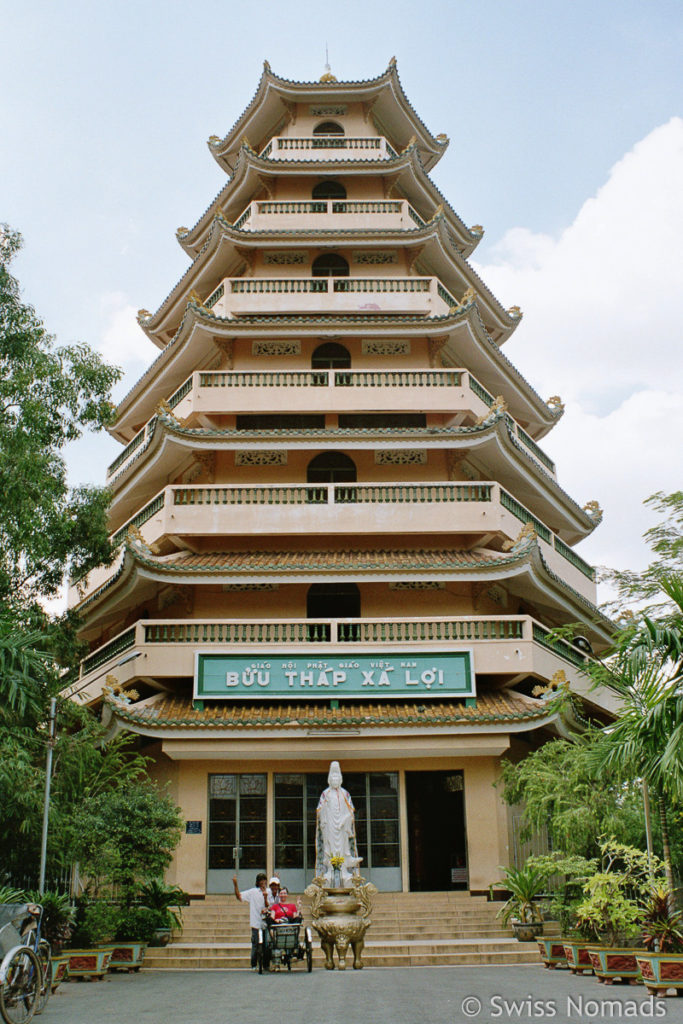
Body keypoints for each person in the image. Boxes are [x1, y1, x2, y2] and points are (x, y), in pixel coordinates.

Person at [315, 760, 362, 886]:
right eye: (333, 777)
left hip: (342, 827)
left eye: (337, 777)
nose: (335, 780)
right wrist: (325, 813)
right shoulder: (326, 794)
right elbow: (319, 810)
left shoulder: (345, 793)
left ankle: (345, 869)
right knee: (329, 847)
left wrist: (345, 819)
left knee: (343, 846)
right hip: (330, 826)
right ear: (329, 779)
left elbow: (351, 810)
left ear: (340, 778)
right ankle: (330, 870)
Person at [232, 872, 269, 970]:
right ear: (258, 882)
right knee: (255, 944)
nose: (263, 882)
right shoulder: (253, 892)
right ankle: (253, 964)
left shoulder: (268, 892)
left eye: (264, 880)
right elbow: (239, 896)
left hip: (266, 923)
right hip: (256, 922)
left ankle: (266, 965)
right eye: (261, 880)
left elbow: (271, 904)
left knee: (266, 945)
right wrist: (235, 884)